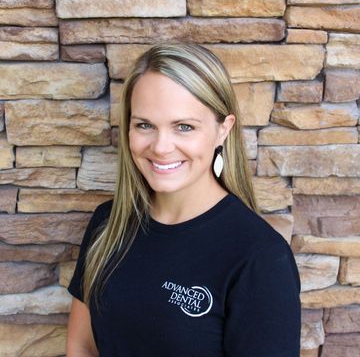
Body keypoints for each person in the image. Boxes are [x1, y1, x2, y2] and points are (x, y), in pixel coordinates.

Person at [66, 42, 301, 357]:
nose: (161, 147)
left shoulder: (260, 259)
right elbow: (82, 346)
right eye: (145, 125)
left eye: (184, 127)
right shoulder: (108, 224)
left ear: (222, 130)